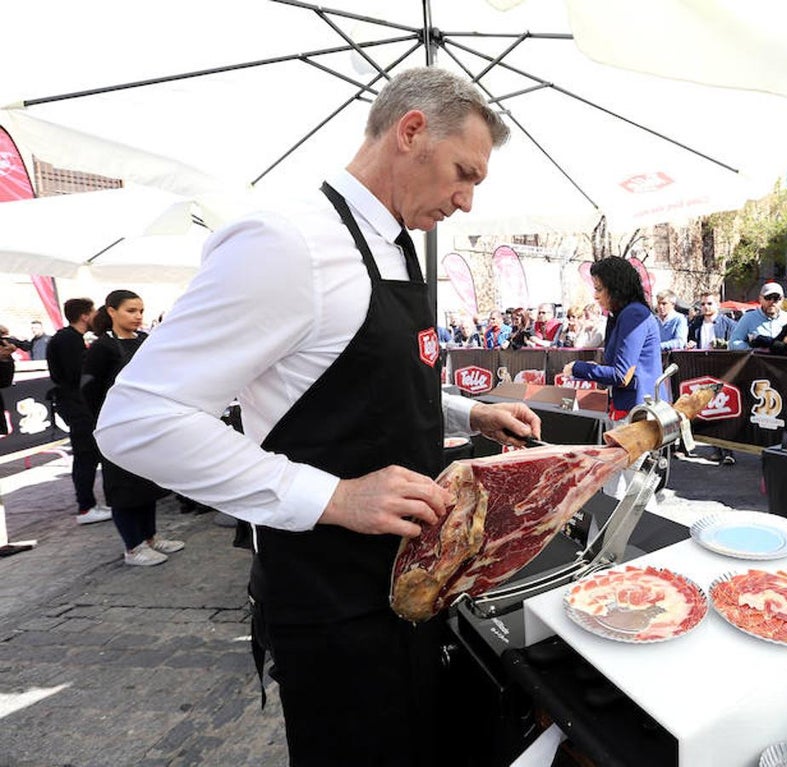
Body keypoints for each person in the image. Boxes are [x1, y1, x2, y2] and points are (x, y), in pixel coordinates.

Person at [94, 68, 540, 766]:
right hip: (335, 608)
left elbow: (366, 373)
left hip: (413, 587)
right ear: (411, 131)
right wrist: (334, 495)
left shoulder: (394, 242)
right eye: (464, 173)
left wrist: (469, 411)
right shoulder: (286, 240)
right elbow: (137, 417)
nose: (467, 199)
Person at [82, 291, 178, 564]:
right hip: (116, 428)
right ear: (111, 311)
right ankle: (133, 547)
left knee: (146, 483)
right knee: (123, 488)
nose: (137, 317)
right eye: (131, 311)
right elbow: (88, 389)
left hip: (146, 423)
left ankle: (150, 538)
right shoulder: (103, 347)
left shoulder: (145, 341)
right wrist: (105, 421)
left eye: (140, 311)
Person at [562, 256, 662, 419]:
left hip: (640, 411)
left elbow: (621, 376)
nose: (595, 296)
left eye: (599, 289)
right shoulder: (621, 314)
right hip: (632, 406)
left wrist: (577, 368)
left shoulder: (633, 313)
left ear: (616, 288)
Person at [46, 298, 112, 525]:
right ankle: (86, 507)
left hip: (78, 403)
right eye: (93, 312)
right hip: (75, 405)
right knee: (85, 455)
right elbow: (76, 375)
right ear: (84, 315)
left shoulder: (71, 338)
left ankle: (90, 503)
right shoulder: (67, 339)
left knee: (90, 455)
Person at [730, 282, 787, 350]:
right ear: (760, 299)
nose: (772, 301)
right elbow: (734, 343)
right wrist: (756, 351)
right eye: (768, 297)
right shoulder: (748, 318)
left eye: (776, 298)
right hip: (758, 359)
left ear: (782, 299)